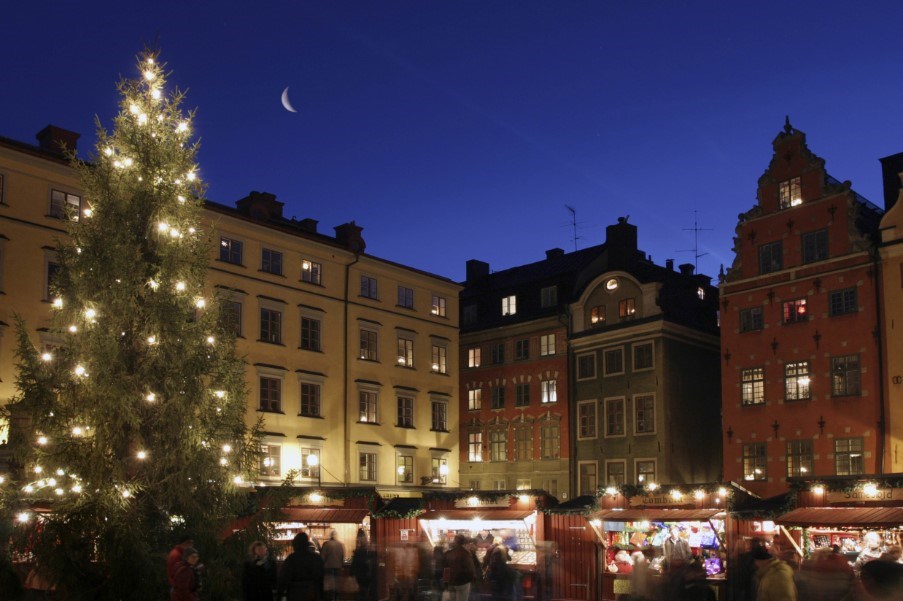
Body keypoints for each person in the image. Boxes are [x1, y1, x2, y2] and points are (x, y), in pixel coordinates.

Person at [278, 532, 325, 601]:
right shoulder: (316, 558)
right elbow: (320, 577)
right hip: (311, 593)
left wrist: (280, 594)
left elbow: (284, 577)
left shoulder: (291, 558)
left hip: (295, 593)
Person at [445, 534, 477, 601]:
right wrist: (471, 579)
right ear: (464, 542)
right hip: (463, 582)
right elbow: (470, 569)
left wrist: (446, 582)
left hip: (451, 581)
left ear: (455, 541)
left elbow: (445, 568)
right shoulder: (466, 553)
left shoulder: (449, 553)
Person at [320, 530, 346, 601]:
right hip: (338, 567)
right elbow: (343, 557)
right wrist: (341, 565)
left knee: (329, 585)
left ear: (330, 536)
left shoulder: (326, 544)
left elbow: (322, 557)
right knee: (337, 585)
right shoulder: (340, 544)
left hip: (328, 567)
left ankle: (330, 599)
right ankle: (337, 598)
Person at [351, 530, 374, 601]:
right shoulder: (367, 549)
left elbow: (354, 563)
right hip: (366, 574)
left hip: (360, 574)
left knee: (360, 591)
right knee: (365, 591)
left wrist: (351, 573)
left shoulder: (358, 551)